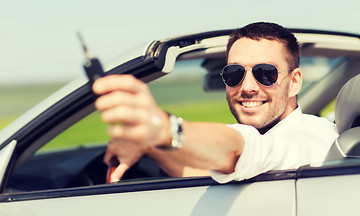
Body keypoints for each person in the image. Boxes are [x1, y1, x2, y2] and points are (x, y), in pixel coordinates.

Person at [93, 22, 339, 183]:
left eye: (266, 73)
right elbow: (207, 171)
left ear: (294, 82)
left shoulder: (306, 140)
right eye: (234, 74)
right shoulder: (275, 142)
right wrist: (150, 147)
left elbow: (238, 147)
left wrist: (166, 129)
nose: (248, 87)